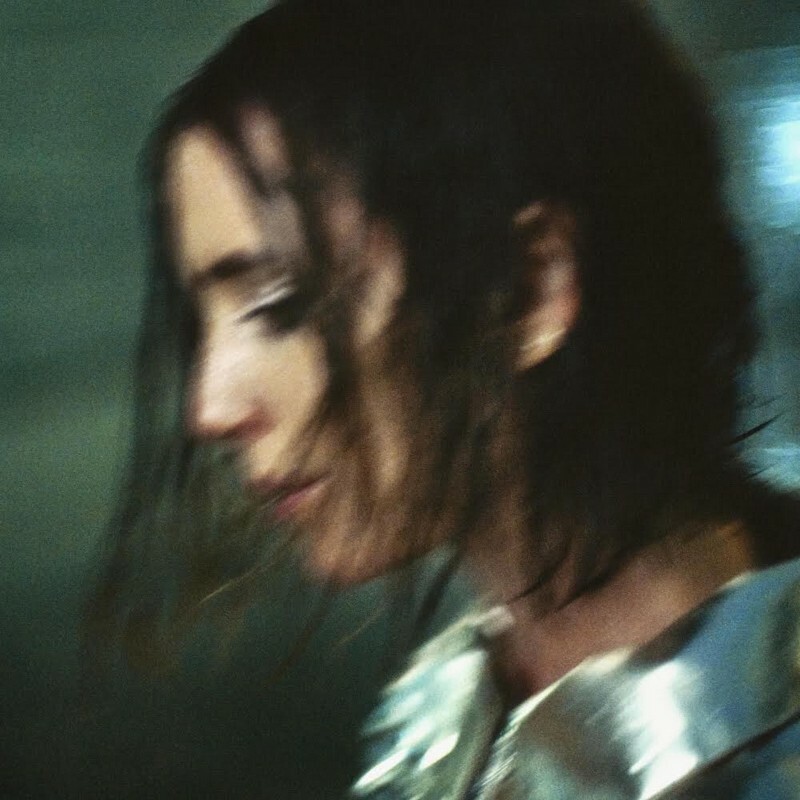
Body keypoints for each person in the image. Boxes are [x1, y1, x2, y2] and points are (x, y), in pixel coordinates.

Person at [90, 0, 800, 796]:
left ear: (528, 288)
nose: (209, 408)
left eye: (281, 303)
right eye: (204, 320)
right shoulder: (430, 725)